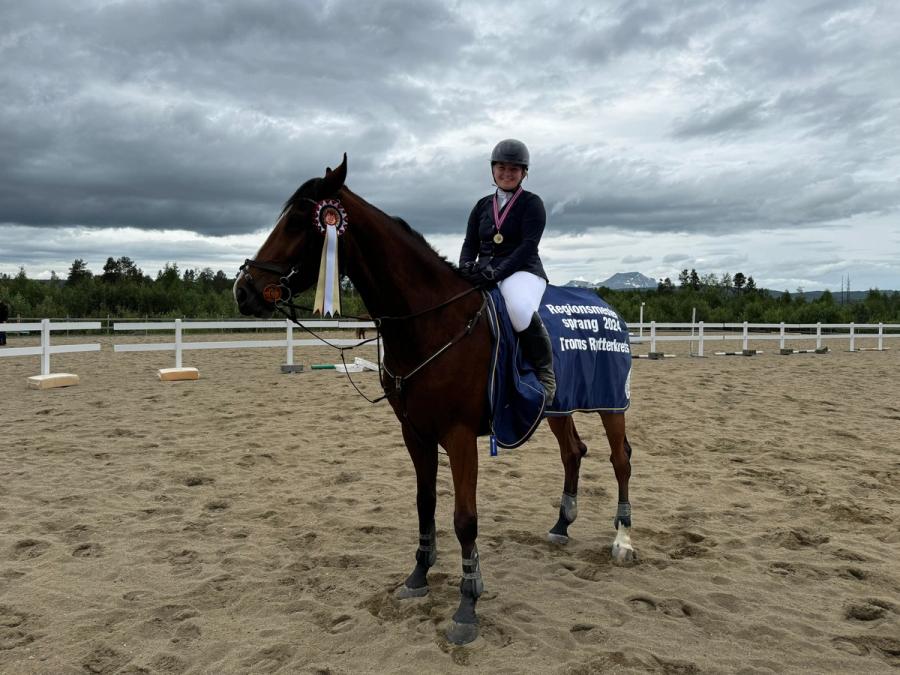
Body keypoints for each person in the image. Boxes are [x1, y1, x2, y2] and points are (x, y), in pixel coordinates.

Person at [459, 139, 556, 402]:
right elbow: (470, 243)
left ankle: (545, 372)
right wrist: (466, 266)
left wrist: (496, 272)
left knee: (519, 309)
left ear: (524, 172)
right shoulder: (481, 206)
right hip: (485, 269)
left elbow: (527, 246)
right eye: (501, 167)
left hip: (523, 271)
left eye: (514, 168)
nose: (507, 173)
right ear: (493, 170)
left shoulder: (532, 203)